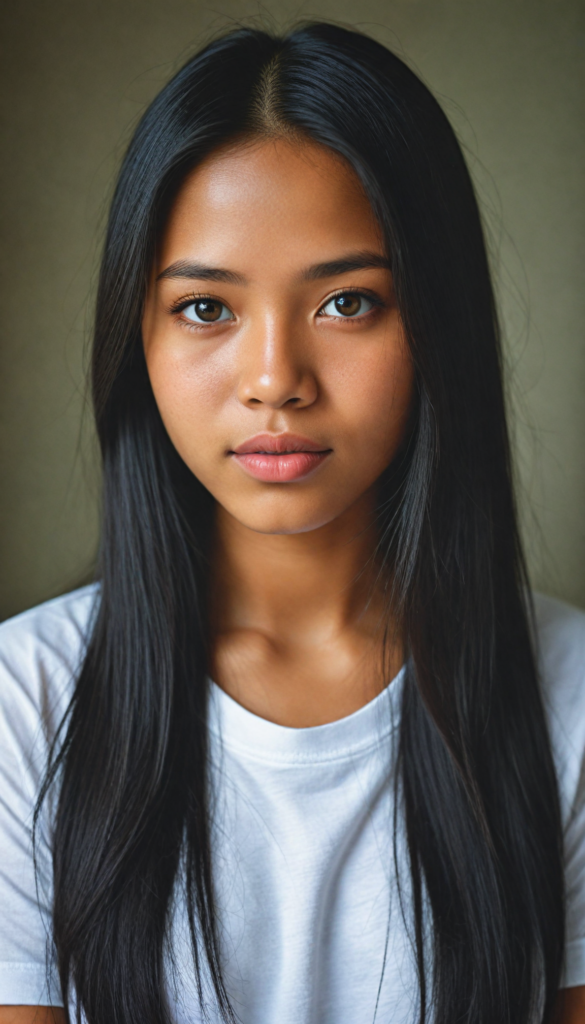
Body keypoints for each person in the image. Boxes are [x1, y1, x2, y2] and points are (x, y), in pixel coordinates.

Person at [0, 22, 583, 1024]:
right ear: (133, 334)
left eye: (349, 301)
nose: (276, 380)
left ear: (437, 320)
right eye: (205, 310)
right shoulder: (25, 706)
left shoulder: (567, 699)